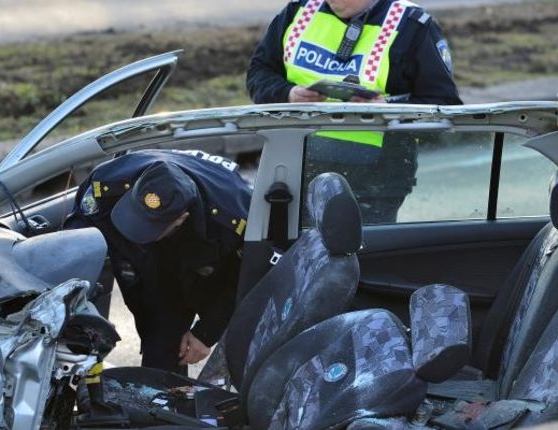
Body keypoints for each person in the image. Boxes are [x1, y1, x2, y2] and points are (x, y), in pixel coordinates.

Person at [247, 0, 463, 223]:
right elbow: (259, 72)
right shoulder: (299, 10)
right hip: (291, 169)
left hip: (374, 182)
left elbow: (444, 105)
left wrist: (388, 109)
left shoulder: (412, 25)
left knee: (361, 256)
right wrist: (288, 93)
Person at [66, 149, 252, 374]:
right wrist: (79, 310)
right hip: (141, 265)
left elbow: (246, 278)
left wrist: (207, 332)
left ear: (181, 218)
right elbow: (74, 245)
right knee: (154, 338)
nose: (136, 231)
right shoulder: (106, 184)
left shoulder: (234, 217)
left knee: (169, 352)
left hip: (199, 264)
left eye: (147, 229)